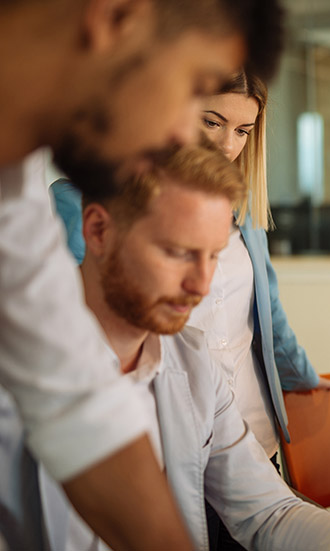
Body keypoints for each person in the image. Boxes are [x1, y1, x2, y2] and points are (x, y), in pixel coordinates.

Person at [0, 1, 284, 548]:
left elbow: (75, 406)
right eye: (193, 90)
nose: (182, 135)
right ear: (118, 16)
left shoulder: (16, 206)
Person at [51, 70, 330, 550]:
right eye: (177, 251)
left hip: (237, 426)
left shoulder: (192, 364)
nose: (201, 283)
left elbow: (271, 513)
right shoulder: (47, 382)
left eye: (244, 131)